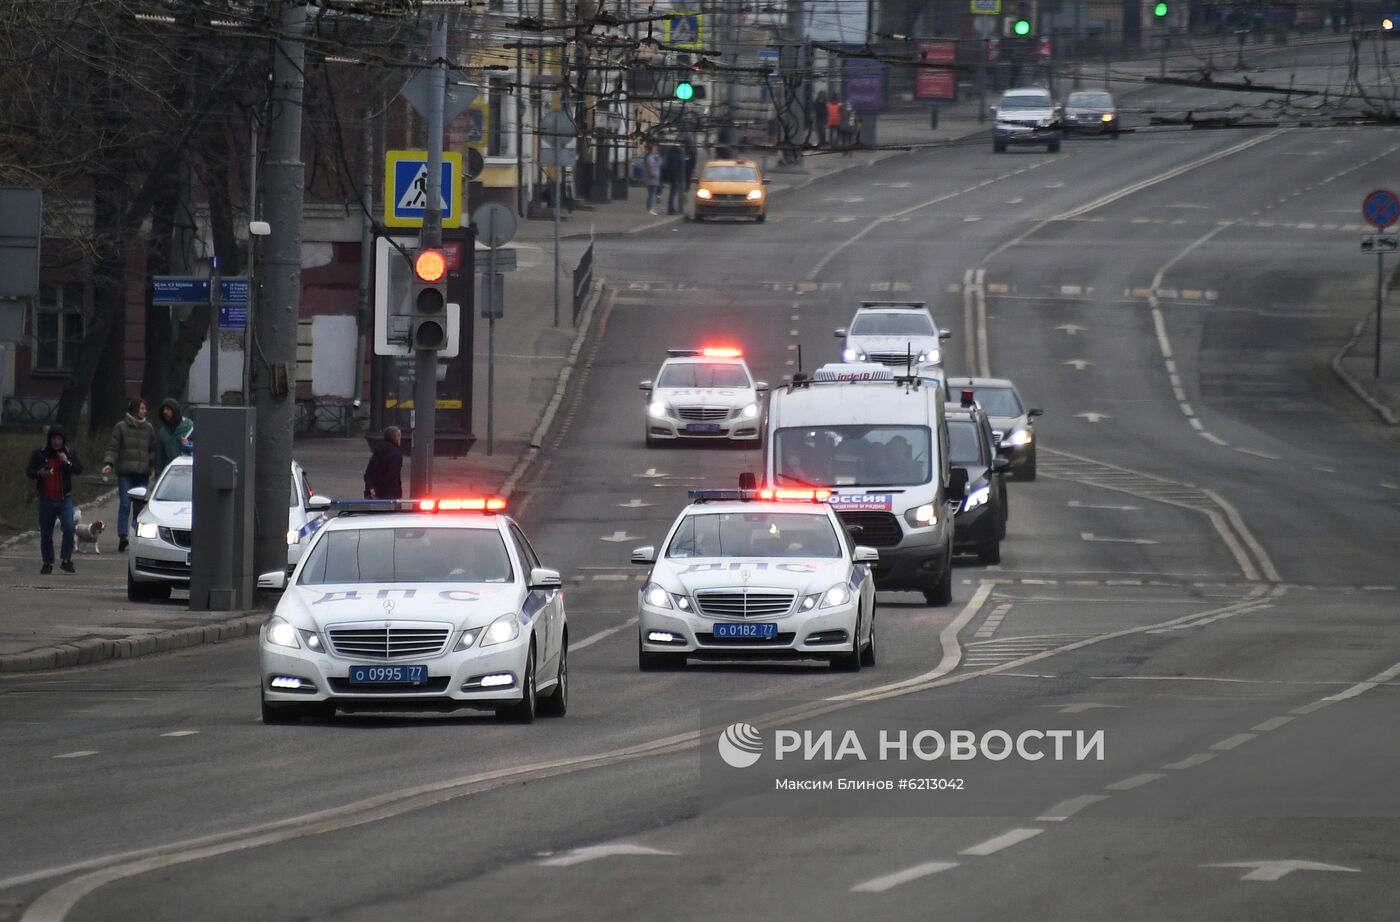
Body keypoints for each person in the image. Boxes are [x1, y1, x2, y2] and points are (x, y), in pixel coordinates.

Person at [27, 424, 83, 574]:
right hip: (46, 499)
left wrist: (67, 462)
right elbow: (29, 471)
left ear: (63, 440)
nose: (56, 442)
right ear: (49, 439)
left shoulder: (69, 453)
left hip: (64, 499)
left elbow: (78, 469)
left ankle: (66, 559)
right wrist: (40, 473)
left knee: (69, 528)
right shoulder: (41, 454)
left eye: (59, 439)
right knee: (46, 532)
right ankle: (47, 562)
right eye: (53, 439)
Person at [102, 398, 156, 553]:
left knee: (139, 508)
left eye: (145, 408)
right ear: (135, 410)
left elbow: (153, 448)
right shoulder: (121, 427)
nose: (144, 411)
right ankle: (122, 536)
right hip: (125, 472)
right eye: (142, 408)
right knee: (125, 504)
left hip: (142, 473)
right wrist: (109, 463)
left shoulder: (149, 428)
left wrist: (150, 461)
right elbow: (113, 448)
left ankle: (135, 536)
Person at [154, 398, 194, 477]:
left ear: (174, 411)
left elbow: (201, 446)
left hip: (187, 470)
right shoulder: (163, 432)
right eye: (164, 410)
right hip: (170, 472)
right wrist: (158, 477)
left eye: (168, 409)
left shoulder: (189, 426)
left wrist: (189, 444)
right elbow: (160, 458)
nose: (165, 412)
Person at [363, 426, 404, 499]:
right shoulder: (396, 453)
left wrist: (370, 488)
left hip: (372, 492)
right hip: (390, 493)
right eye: (399, 436)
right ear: (396, 437)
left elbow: (368, 473)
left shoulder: (378, 450)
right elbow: (392, 475)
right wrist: (378, 490)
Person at [663, 145, 685, 215]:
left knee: (672, 192)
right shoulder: (678, 155)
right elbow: (681, 166)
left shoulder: (669, 153)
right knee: (673, 192)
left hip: (670, 175)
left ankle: (671, 207)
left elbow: (666, 165)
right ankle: (671, 208)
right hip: (675, 175)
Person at [644, 144, 663, 215]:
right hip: (652, 178)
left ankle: (650, 208)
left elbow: (659, 164)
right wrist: (653, 174)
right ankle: (649, 209)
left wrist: (658, 158)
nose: (656, 150)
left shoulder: (654, 157)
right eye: (655, 148)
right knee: (651, 194)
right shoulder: (650, 157)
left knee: (652, 193)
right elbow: (651, 167)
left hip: (654, 178)